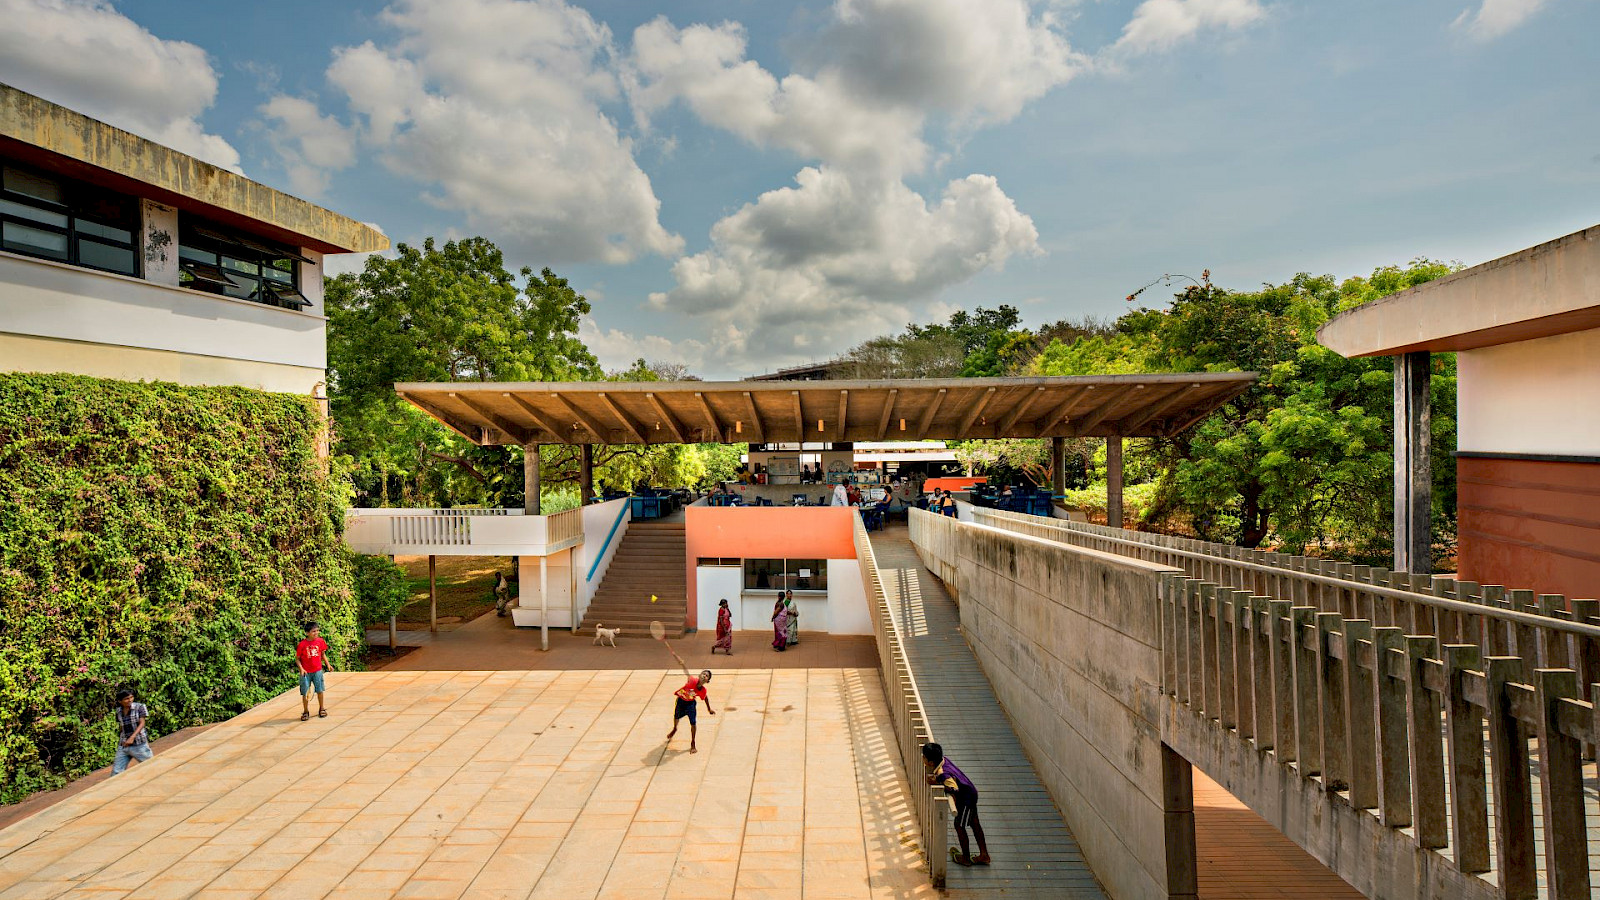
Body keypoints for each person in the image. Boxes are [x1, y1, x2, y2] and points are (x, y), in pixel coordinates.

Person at [923, 742, 990, 867]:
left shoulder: (943, 774)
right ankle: (984, 855)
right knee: (975, 823)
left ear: (931, 762)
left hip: (966, 800)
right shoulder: (944, 761)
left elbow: (953, 788)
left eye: (924, 757)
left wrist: (938, 781)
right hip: (971, 791)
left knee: (959, 825)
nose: (923, 759)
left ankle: (965, 857)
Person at [667, 669, 716, 753]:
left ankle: (693, 743)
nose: (704, 676)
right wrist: (682, 664)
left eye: (707, 676)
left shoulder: (703, 690)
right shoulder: (692, 680)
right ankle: (675, 728)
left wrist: (709, 709)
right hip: (681, 702)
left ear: (707, 681)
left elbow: (705, 697)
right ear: (699, 675)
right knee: (676, 717)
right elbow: (686, 672)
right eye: (703, 674)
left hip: (690, 705)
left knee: (693, 723)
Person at [112, 689, 152, 774]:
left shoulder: (139, 707)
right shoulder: (118, 711)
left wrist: (132, 737)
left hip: (139, 744)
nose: (130, 700)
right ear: (120, 701)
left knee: (151, 766)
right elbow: (122, 726)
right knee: (116, 771)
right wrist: (123, 739)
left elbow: (142, 723)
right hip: (124, 745)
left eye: (131, 697)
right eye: (126, 698)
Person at [296, 621, 330, 722]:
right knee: (305, 692)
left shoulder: (320, 641)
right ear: (307, 633)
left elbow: (323, 654)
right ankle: (306, 711)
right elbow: (297, 659)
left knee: (320, 690)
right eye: (313, 631)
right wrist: (301, 669)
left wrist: (328, 664)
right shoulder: (302, 644)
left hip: (317, 671)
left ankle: (322, 708)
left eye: (317, 631)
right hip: (306, 673)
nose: (316, 633)